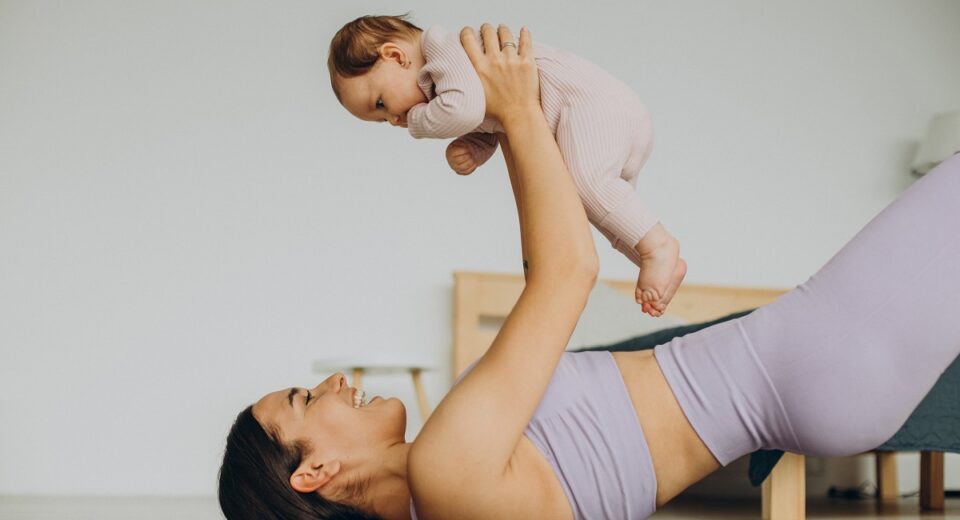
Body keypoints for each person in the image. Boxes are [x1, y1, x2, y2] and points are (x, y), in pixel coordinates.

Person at [218, 25, 960, 520]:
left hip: (806, 370)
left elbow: (548, 256)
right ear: (310, 474)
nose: (334, 383)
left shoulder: (450, 487)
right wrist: (514, 110)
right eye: (305, 398)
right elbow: (568, 272)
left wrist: (517, 123)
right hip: (804, 359)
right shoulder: (445, 467)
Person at [327, 14, 686, 316]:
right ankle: (652, 260)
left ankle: (658, 246)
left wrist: (419, 124)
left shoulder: (442, 49)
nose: (392, 120)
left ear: (394, 55)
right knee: (589, 205)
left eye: (380, 103)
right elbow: (493, 118)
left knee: (586, 183)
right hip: (601, 116)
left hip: (593, 104)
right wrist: (474, 147)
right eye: (380, 121)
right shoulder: (449, 82)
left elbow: (465, 108)